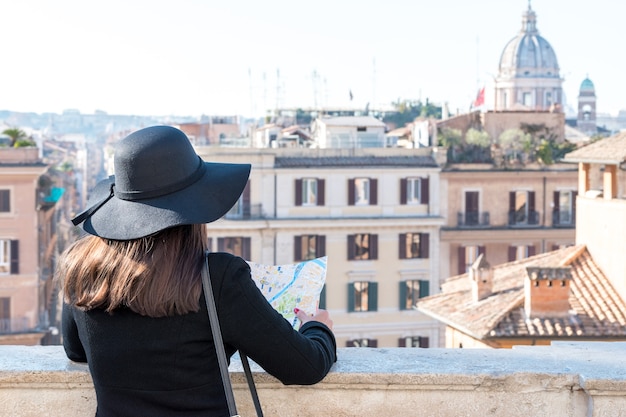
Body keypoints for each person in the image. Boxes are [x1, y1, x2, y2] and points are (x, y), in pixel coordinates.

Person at [59, 125, 337, 417]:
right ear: (194, 207)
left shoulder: (81, 268)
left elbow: (76, 350)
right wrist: (318, 327)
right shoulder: (218, 277)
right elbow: (305, 367)